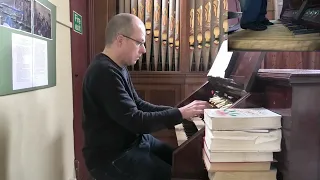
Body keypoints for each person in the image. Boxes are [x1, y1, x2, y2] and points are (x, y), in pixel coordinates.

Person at [82, 13, 211, 180]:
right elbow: (136, 121)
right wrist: (180, 114)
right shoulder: (103, 72)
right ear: (120, 40)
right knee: (178, 176)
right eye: (140, 43)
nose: (143, 50)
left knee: (183, 162)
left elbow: (139, 104)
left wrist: (179, 111)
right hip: (113, 156)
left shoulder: (118, 67)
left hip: (135, 143)